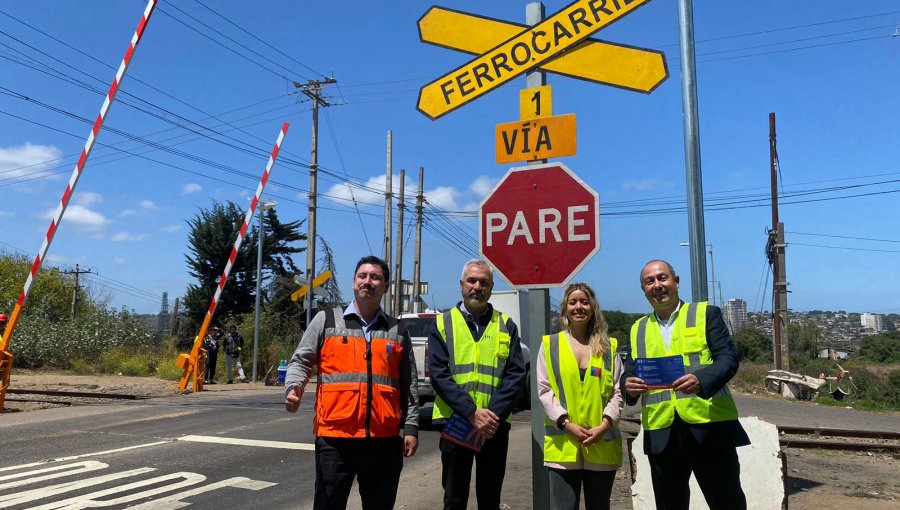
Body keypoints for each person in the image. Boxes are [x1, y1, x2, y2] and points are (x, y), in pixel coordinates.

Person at [284, 255, 418, 510]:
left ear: (386, 285)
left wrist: (410, 427)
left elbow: (408, 384)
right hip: (335, 440)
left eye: (375, 277)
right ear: (354, 281)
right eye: (362, 276)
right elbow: (301, 360)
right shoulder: (327, 320)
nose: (368, 282)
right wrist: (294, 387)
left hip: (383, 441)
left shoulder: (397, 330)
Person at [621, 260, 750, 510]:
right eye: (650, 281)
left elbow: (728, 359)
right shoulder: (638, 328)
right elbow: (630, 370)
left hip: (710, 429)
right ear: (643, 289)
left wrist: (701, 380)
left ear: (676, 282)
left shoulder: (705, 314)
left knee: (727, 503)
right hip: (662, 434)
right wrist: (628, 384)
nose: (657, 285)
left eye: (662, 278)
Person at [428, 258, 527, 510]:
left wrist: (489, 417)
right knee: (454, 498)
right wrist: (472, 413)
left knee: (490, 498)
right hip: (456, 423)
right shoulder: (442, 323)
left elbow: (515, 374)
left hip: (494, 426)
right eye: (472, 281)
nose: (477, 286)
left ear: (491, 287)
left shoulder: (506, 325)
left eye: (484, 282)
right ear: (461, 285)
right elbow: (439, 375)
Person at [538, 283, 623, 510]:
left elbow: (618, 391)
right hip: (563, 445)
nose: (579, 307)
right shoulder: (550, 345)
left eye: (584, 302)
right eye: (573, 302)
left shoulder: (608, 346)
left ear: (593, 306)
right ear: (565, 307)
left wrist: (605, 425)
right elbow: (544, 390)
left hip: (601, 444)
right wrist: (565, 423)